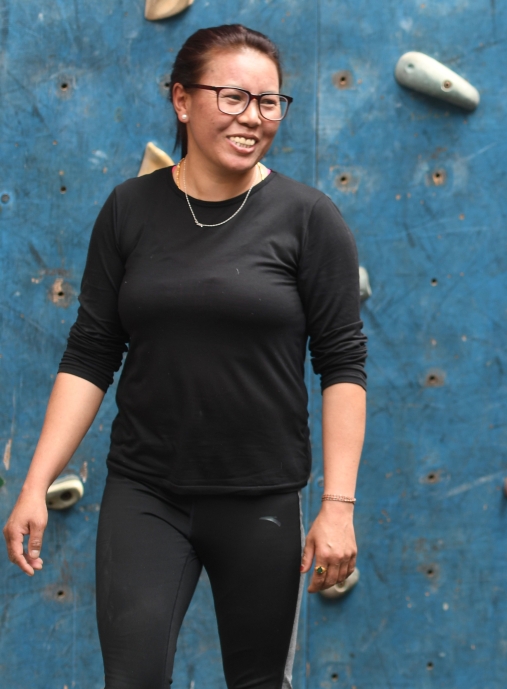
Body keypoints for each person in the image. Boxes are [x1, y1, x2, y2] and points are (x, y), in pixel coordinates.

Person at [3, 24, 367, 688]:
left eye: (269, 102)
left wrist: (337, 505)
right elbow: (90, 353)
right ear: (181, 99)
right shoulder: (129, 209)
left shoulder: (309, 219)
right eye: (233, 97)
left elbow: (342, 365)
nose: (253, 117)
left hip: (261, 495)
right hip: (147, 491)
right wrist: (34, 481)